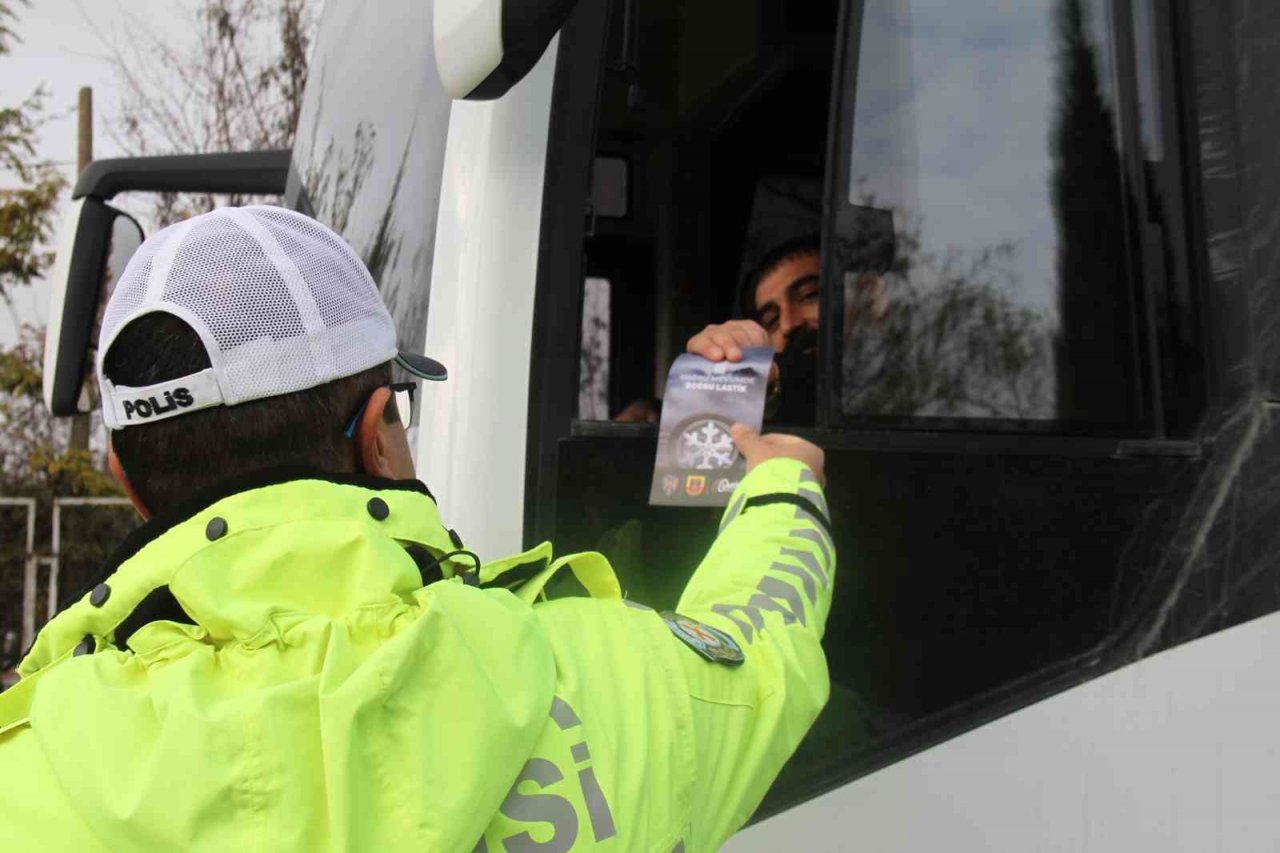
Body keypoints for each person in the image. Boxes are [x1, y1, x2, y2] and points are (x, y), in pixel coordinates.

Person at [0, 206, 836, 852]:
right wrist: (782, 489)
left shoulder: (27, 768)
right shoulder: (595, 679)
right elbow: (758, 642)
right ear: (375, 433)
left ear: (128, 482)